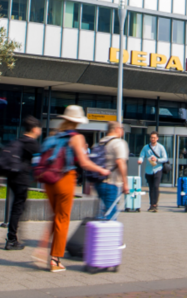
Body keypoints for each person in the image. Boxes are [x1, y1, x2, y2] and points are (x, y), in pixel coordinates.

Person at [34, 105, 109, 273]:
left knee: (55, 217)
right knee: (62, 219)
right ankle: (55, 260)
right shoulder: (77, 137)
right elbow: (84, 163)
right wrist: (101, 170)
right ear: (77, 122)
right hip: (65, 179)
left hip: (48, 181)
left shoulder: (54, 135)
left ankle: (41, 249)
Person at [5, 116, 42, 251]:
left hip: (12, 177)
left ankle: (13, 236)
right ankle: (12, 239)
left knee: (18, 208)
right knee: (18, 209)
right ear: (34, 129)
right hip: (21, 179)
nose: (40, 131)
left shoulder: (19, 140)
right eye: (39, 128)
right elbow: (40, 161)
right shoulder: (32, 143)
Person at [94, 122, 129, 220]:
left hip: (99, 182)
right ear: (116, 129)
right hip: (111, 182)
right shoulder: (119, 143)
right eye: (122, 128)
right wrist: (125, 183)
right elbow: (120, 162)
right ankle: (107, 234)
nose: (122, 131)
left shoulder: (101, 142)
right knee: (111, 216)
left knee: (102, 213)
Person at [138, 132, 168, 212]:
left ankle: (155, 204)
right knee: (151, 188)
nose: (153, 139)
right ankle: (151, 204)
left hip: (158, 169)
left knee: (156, 186)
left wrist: (157, 159)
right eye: (151, 137)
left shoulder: (161, 147)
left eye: (154, 137)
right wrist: (140, 160)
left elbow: (165, 158)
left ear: (157, 138)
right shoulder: (146, 147)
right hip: (149, 170)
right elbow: (142, 155)